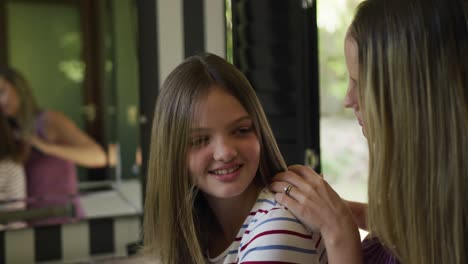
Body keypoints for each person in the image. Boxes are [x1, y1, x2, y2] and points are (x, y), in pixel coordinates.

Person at [270, 0, 468, 263]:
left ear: (411, 96)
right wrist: (342, 212)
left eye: (360, 82)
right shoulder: (437, 189)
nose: (348, 99)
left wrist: (339, 235)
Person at [142, 53, 327, 263]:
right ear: (172, 154)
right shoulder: (199, 231)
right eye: (200, 139)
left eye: (241, 130)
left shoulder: (276, 228)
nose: (225, 152)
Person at [0, 67, 107, 225]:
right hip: (29, 227)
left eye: (2, 91)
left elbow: (98, 156)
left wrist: (46, 148)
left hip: (64, 222)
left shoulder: (49, 121)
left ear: (19, 88)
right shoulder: (9, 133)